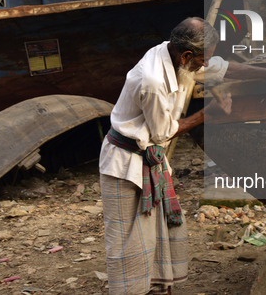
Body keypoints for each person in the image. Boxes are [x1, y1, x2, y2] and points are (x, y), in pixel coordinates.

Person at [99, 17, 231, 295]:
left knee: (156, 233)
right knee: (126, 241)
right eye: (202, 60)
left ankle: (156, 288)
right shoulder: (153, 81)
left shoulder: (169, 52)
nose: (204, 66)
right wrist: (207, 115)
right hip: (123, 164)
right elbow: (162, 135)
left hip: (148, 158)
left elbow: (218, 68)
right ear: (186, 56)